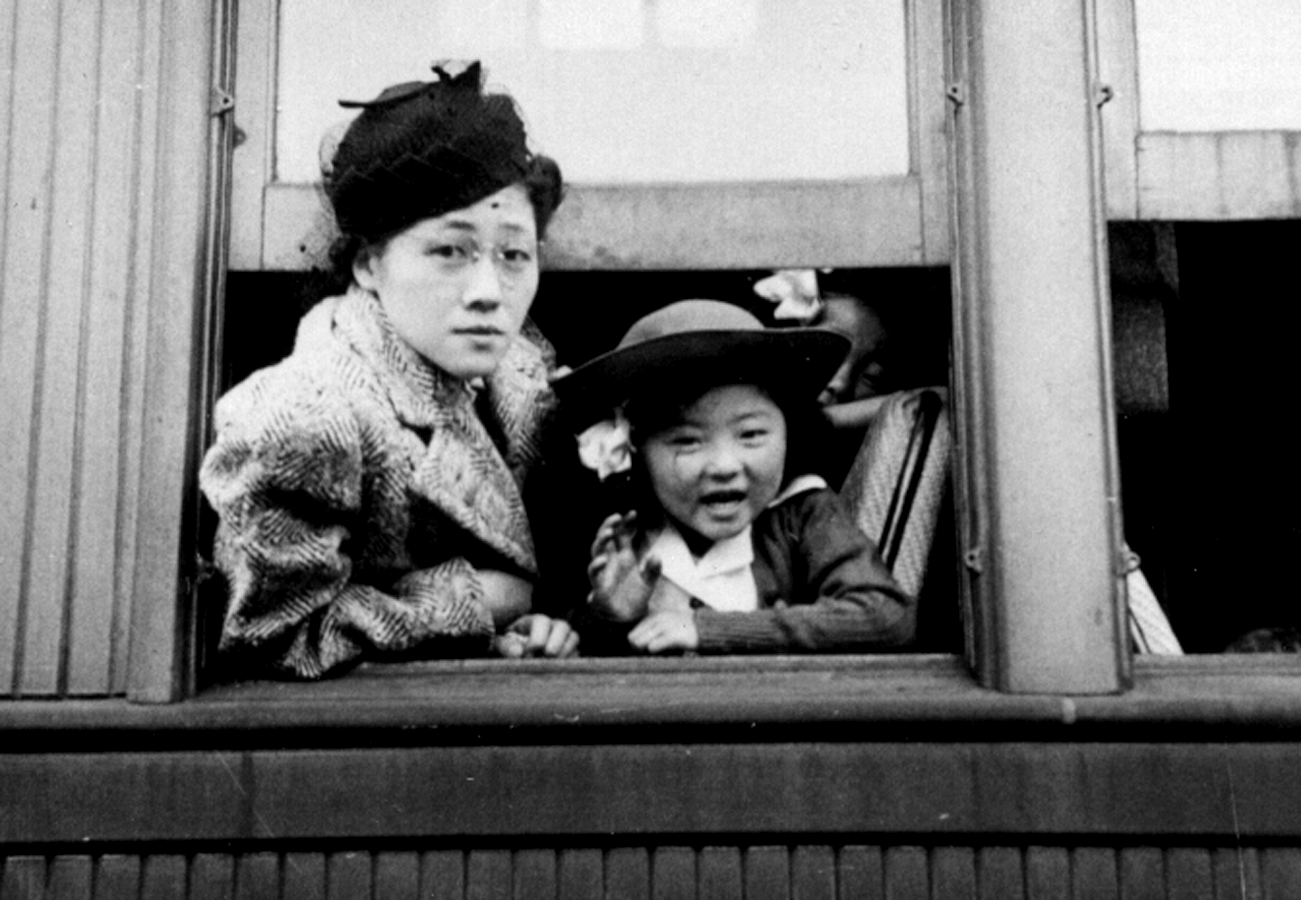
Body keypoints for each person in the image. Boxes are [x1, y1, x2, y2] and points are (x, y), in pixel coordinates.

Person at [200, 62, 578, 678]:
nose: (488, 291)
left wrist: (527, 628)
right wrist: (473, 602)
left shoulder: (514, 367)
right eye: (449, 251)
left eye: (514, 254)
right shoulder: (308, 420)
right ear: (369, 265)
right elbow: (274, 639)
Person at [551, 300, 916, 655]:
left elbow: (884, 615)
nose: (725, 466)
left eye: (751, 435)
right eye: (688, 441)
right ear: (636, 447)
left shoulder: (802, 514)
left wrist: (707, 629)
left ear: (788, 429)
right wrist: (609, 616)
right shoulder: (624, 536)